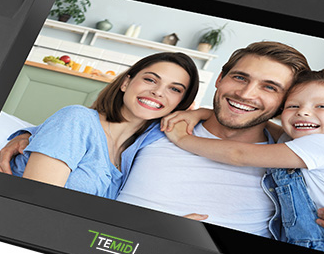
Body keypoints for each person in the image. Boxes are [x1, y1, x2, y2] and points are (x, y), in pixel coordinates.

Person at [0, 41, 324, 246]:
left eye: (269, 87)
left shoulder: (288, 156)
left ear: (285, 103)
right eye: (240, 78)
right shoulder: (162, 128)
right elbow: (93, 133)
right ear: (220, 79)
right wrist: (26, 136)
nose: (246, 93)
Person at [163, 65, 324, 254]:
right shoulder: (299, 143)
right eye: (293, 106)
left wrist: (183, 139)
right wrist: (205, 113)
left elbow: (239, 155)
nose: (303, 112)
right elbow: (264, 124)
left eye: (322, 106)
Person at [10, 52, 200, 198]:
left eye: (174, 89)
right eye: (150, 80)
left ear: (180, 104)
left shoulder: (145, 145)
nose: (158, 92)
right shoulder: (77, 119)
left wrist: (201, 113)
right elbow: (37, 200)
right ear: (126, 83)